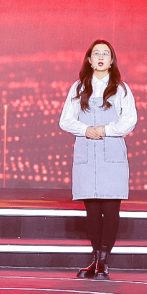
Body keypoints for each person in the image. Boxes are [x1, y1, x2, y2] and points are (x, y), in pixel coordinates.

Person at [58, 40, 138, 280]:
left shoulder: (121, 89)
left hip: (111, 153)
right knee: (92, 212)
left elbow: (129, 121)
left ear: (111, 60)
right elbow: (65, 120)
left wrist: (104, 130)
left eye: (106, 53)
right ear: (89, 60)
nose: (101, 57)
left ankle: (103, 261)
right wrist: (86, 130)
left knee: (111, 210)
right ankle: (95, 260)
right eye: (96, 53)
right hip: (87, 154)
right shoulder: (78, 88)